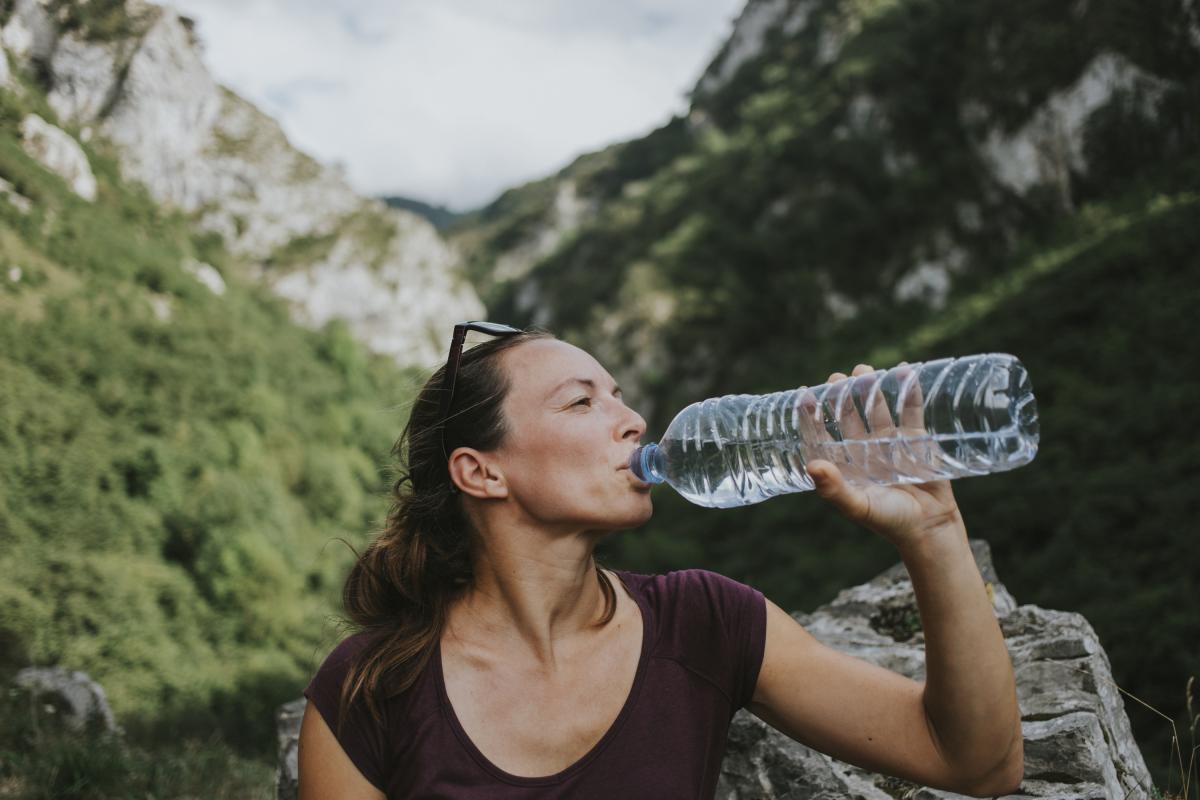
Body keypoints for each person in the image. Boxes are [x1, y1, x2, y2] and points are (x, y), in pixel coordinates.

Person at [298, 323, 1024, 799]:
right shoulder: (370, 691)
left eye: (619, 395)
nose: (634, 420)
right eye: (581, 403)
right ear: (483, 473)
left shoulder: (704, 622)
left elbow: (975, 761)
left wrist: (932, 531)